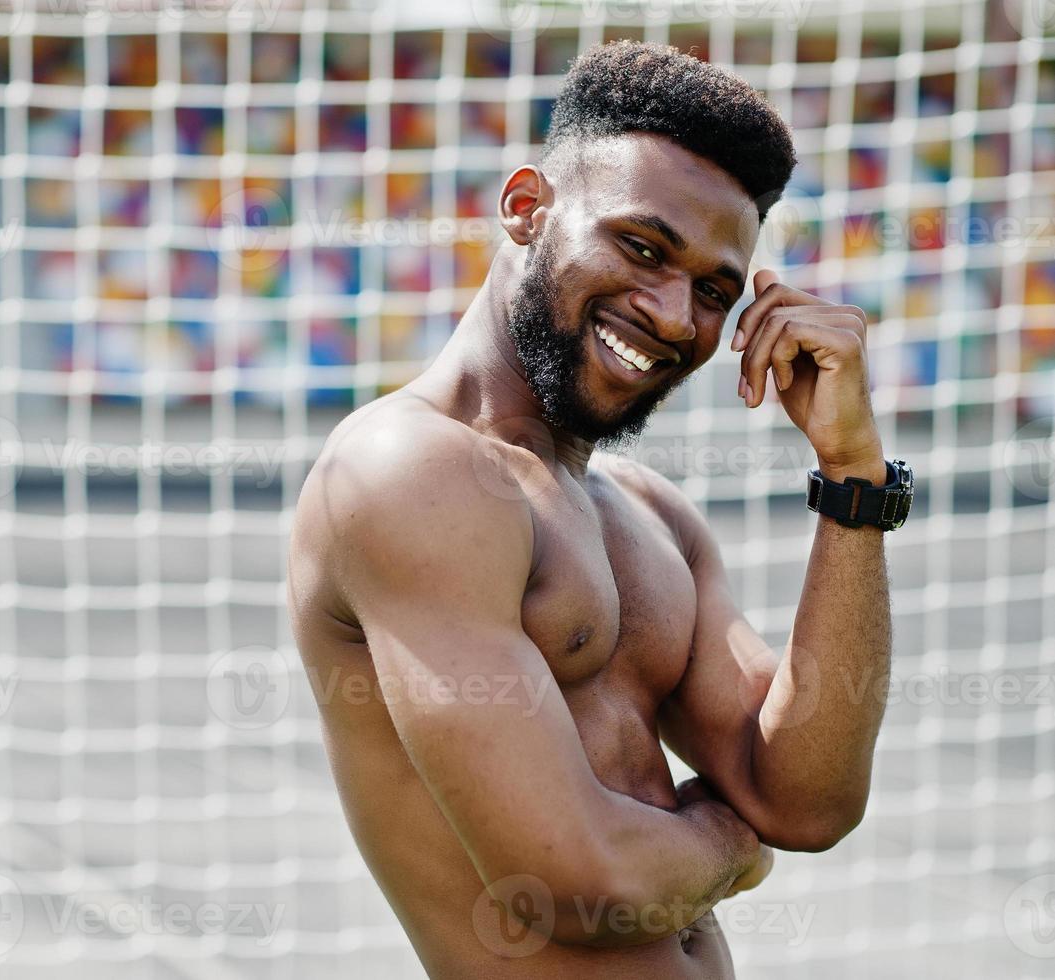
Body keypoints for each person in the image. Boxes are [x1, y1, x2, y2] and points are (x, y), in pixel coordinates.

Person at [287, 40, 911, 977]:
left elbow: (807, 799)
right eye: (641, 246)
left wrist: (853, 477)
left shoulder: (651, 515)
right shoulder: (410, 471)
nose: (671, 315)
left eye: (712, 290)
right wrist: (731, 845)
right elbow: (579, 883)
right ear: (527, 209)